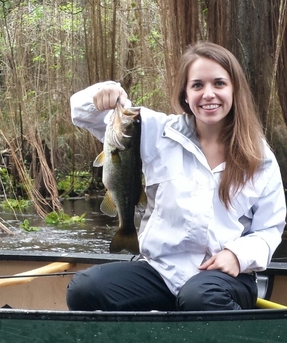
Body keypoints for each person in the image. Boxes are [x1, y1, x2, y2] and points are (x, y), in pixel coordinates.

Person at [66, 41, 286, 311]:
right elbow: (81, 112)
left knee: (200, 296)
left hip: (227, 278)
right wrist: (105, 92)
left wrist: (237, 256)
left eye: (219, 84)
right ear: (185, 93)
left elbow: (269, 228)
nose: (208, 94)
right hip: (162, 272)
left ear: (234, 90)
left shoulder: (259, 157)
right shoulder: (154, 131)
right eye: (197, 85)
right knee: (86, 289)